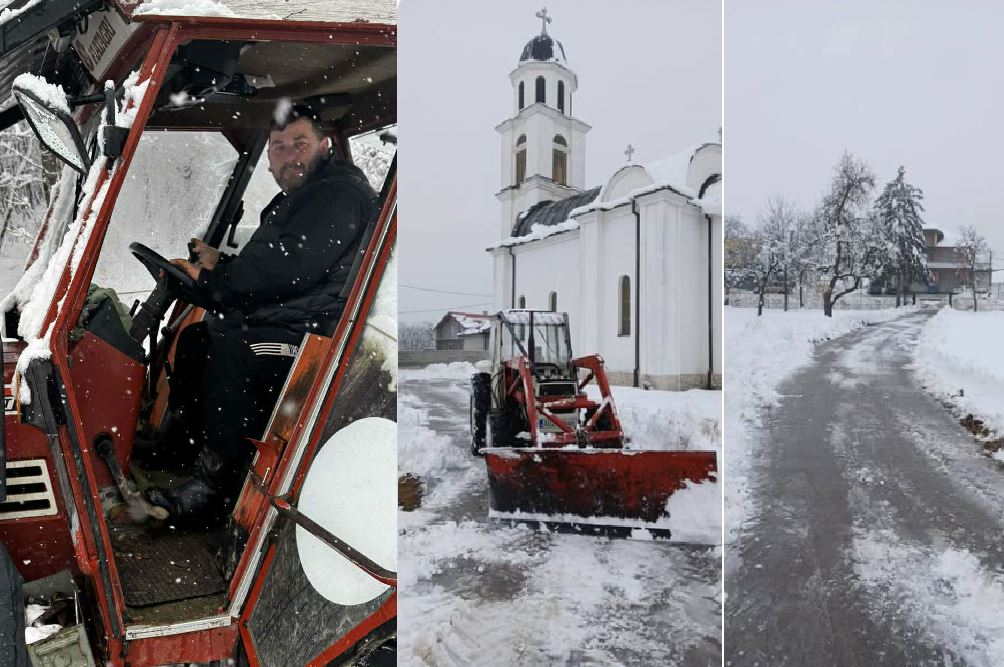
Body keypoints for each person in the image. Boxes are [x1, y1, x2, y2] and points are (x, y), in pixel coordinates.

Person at [147, 104, 377, 523]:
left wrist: (212, 282)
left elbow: (286, 268)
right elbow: (275, 265)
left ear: (325, 146)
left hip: (320, 335)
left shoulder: (338, 194)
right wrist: (219, 266)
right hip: (292, 318)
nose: (289, 156)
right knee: (200, 338)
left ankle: (214, 489)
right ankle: (181, 448)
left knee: (236, 350)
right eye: (278, 147)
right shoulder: (307, 195)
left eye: (300, 144)